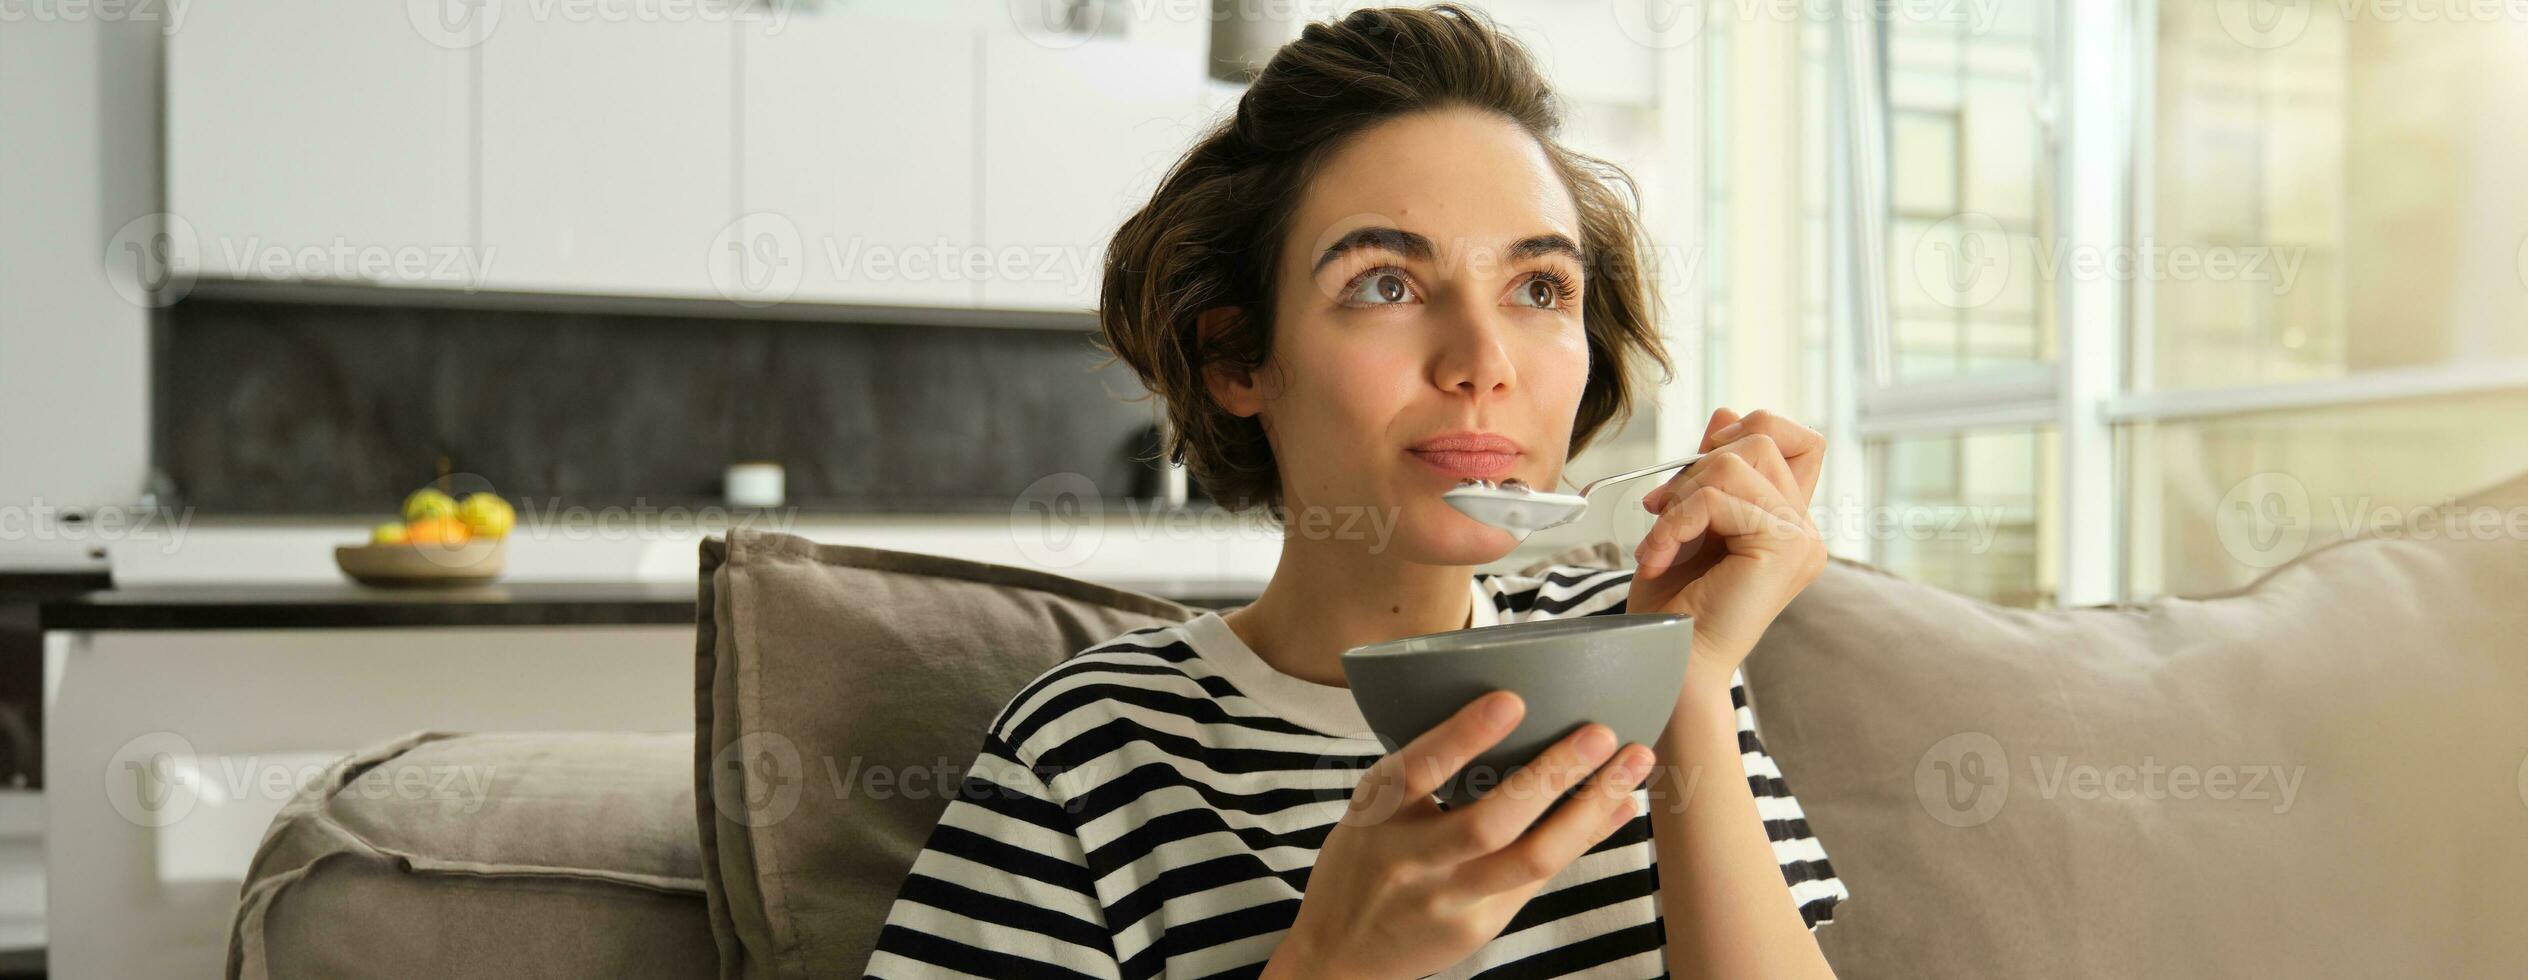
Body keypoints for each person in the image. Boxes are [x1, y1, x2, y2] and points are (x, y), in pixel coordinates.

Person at [868, 6, 1848, 977]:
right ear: (1236, 356)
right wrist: (1327, 963)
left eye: (1538, 288)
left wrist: (1683, 680)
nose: (1482, 361)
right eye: (1385, 284)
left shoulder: (1652, 647)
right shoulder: (1091, 751)